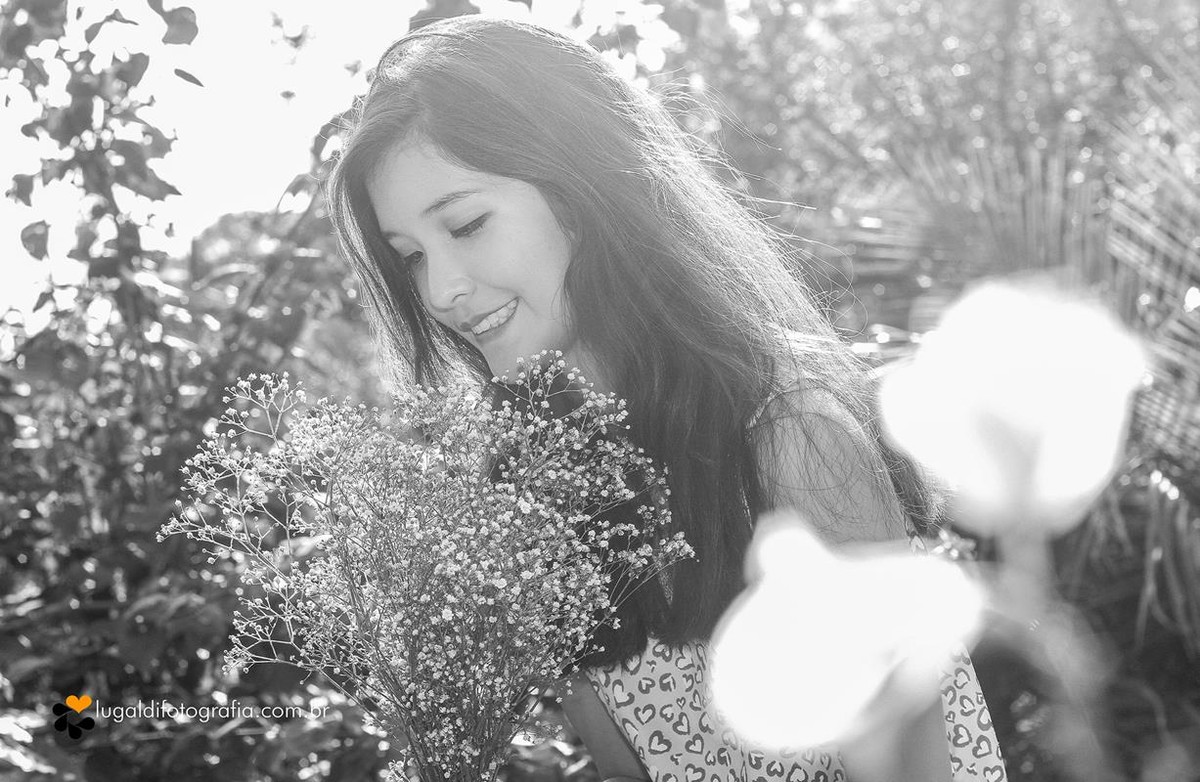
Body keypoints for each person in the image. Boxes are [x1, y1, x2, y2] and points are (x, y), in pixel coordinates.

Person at [326, 15, 1005, 781]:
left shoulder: (788, 440)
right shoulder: (535, 495)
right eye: (411, 258)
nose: (442, 289)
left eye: (468, 224)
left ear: (581, 191)